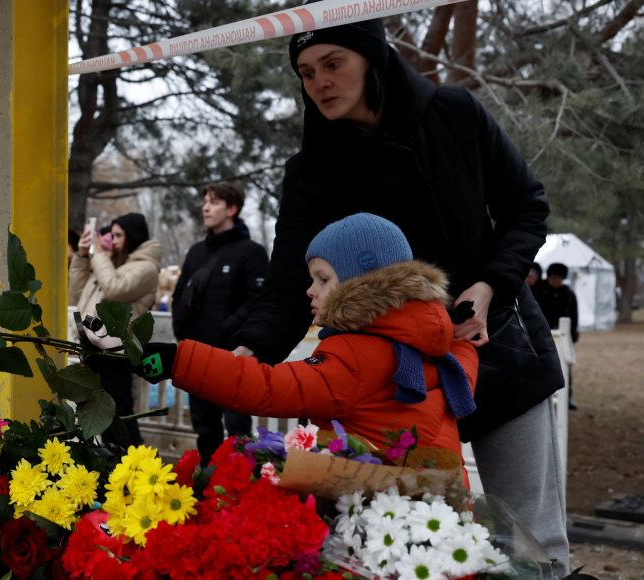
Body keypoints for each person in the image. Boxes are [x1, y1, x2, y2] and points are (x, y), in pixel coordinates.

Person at [228, 13, 568, 574]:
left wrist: (488, 285)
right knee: (402, 548)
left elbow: (526, 207)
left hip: (498, 345)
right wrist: (247, 349)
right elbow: (289, 284)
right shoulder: (312, 169)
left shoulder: (455, 114)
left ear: (374, 59)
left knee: (532, 545)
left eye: (333, 64)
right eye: (307, 73)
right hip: (391, 389)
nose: (320, 83)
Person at [140, 213, 477, 464]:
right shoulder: (435, 346)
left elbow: (269, 388)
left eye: (323, 278)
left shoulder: (357, 355)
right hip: (438, 512)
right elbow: (466, 368)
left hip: (376, 513)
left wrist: (178, 360)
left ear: (360, 285)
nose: (309, 290)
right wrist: (462, 338)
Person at [171, 182, 269, 465]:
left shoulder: (252, 252)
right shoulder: (197, 252)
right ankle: (206, 486)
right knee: (204, 428)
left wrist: (225, 331)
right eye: (205, 201)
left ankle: (242, 490)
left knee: (238, 430)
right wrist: (182, 330)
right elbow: (179, 295)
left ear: (232, 209)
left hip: (234, 357)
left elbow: (258, 301)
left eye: (213, 202)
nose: (205, 207)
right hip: (197, 356)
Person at [69, 212, 160, 445]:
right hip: (93, 345)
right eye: (112, 234)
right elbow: (77, 293)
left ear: (134, 237)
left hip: (116, 350)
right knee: (98, 414)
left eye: (119, 235)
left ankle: (133, 464)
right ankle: (111, 466)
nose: (114, 240)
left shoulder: (145, 268)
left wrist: (99, 254)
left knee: (118, 414)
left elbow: (114, 288)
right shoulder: (112, 263)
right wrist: (82, 255)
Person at [537, 262, 580, 410]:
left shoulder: (568, 294)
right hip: (543, 337)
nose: (556, 281)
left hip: (563, 337)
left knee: (565, 367)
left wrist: (572, 336)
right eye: (554, 277)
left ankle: (568, 396)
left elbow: (573, 316)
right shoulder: (539, 291)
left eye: (559, 278)